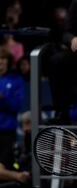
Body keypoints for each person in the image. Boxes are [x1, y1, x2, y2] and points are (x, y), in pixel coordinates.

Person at [0, 46, 29, 186]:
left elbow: (17, 106)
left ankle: (17, 176)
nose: (0, 63)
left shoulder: (16, 81)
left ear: (8, 62)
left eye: (2, 59)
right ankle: (18, 176)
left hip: (6, 134)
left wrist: (3, 97)